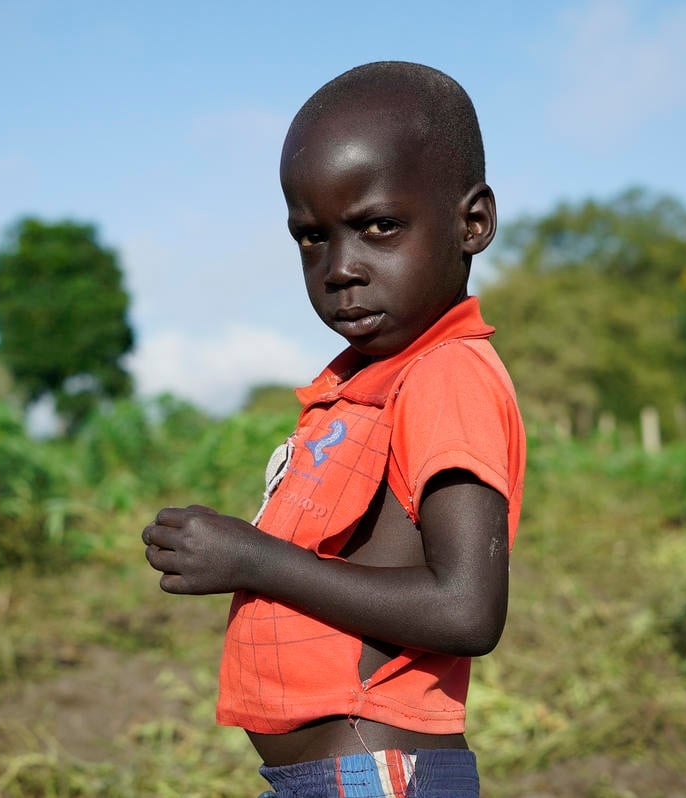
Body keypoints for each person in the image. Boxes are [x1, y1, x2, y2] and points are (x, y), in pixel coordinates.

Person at [142, 61, 526, 798]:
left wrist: (252, 559)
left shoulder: (446, 375)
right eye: (312, 238)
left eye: (379, 226)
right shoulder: (364, 384)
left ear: (471, 222)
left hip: (373, 778)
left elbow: (466, 609)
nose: (341, 268)